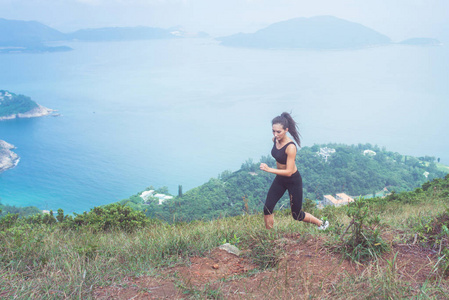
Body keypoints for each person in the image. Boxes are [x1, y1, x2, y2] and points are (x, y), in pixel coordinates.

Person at [259, 112, 329, 230]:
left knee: (297, 215)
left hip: (292, 180)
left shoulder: (291, 147)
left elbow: (289, 172)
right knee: (267, 208)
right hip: (280, 179)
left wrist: (269, 169)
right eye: (273, 131)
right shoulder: (275, 140)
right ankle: (269, 235)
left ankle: (322, 224)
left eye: (278, 132)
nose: (275, 134)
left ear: (286, 130)